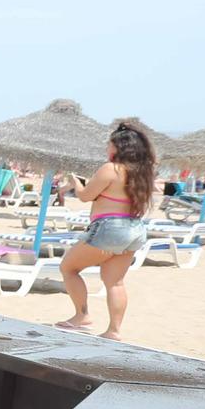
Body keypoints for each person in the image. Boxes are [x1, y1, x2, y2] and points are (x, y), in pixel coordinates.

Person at [55, 121, 157, 340]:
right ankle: (114, 330)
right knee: (115, 282)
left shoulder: (110, 169)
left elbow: (85, 196)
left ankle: (81, 316)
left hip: (110, 228)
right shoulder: (143, 172)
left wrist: (75, 183)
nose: (107, 148)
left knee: (68, 268)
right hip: (134, 228)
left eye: (109, 144)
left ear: (119, 147)